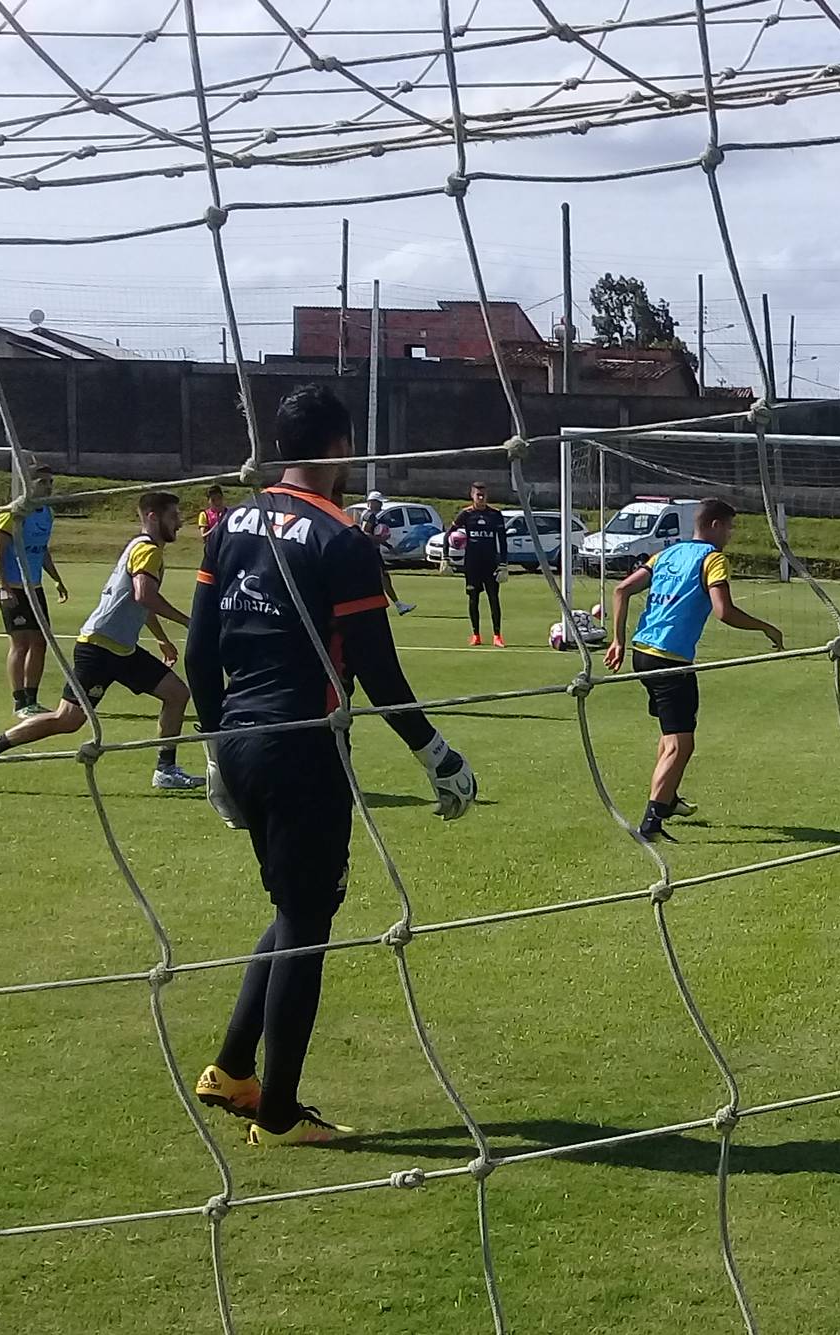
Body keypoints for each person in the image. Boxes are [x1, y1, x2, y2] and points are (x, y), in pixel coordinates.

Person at [187, 384, 477, 1146]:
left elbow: (199, 652)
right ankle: (280, 1114)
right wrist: (435, 752)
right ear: (342, 446)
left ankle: (232, 1070)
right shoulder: (341, 537)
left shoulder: (232, 522)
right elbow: (376, 666)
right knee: (308, 922)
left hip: (240, 737)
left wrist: (214, 751)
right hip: (304, 746)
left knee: (295, 906)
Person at [0, 492, 203, 791]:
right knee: (67, 720)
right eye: (174, 516)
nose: (179, 523)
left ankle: (165, 770)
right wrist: (189, 622)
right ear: (153, 517)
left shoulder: (139, 546)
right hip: (100, 649)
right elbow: (144, 595)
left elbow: (136, 600)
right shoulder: (148, 551)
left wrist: (162, 639)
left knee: (177, 694)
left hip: (120, 648)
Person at [604, 498, 783, 842]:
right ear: (715, 525)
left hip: (643, 654)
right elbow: (724, 611)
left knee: (671, 735)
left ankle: (668, 799)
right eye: (729, 527)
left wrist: (618, 642)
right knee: (681, 745)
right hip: (671, 661)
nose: (730, 534)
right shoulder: (712, 559)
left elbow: (622, 589)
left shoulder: (667, 554)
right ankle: (651, 823)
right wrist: (766, 628)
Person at [0, 462, 69, 718]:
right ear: (28, 483)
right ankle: (19, 702)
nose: (48, 487)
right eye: (42, 482)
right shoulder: (13, 513)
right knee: (20, 643)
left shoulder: (47, 513)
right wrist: (4, 587)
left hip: (34, 586)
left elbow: (42, 550)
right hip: (13, 587)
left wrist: (56, 579)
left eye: (50, 482)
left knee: (40, 642)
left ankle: (32, 700)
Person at [448, 482, 507, 646]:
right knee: (473, 599)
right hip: (472, 565)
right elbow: (448, 534)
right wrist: (445, 558)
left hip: (491, 564)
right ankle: (476, 635)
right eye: (478, 495)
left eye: (483, 495)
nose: (481, 498)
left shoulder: (495, 514)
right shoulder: (466, 514)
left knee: (493, 598)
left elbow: (502, 540)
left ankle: (497, 636)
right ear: (472, 495)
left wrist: (503, 563)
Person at [356, 491, 415, 617]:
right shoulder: (369, 516)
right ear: (372, 503)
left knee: (378, 579)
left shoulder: (371, 516)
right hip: (370, 551)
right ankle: (398, 605)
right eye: (379, 502)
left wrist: (388, 545)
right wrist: (381, 539)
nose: (381, 505)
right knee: (383, 578)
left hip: (371, 550)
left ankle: (392, 605)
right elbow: (364, 534)